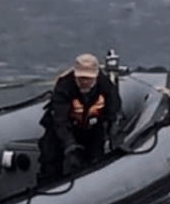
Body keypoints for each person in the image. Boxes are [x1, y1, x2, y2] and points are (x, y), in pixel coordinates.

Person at [37, 53, 122, 185]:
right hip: (64, 129)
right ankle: (47, 184)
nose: (84, 83)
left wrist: (111, 131)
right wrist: (70, 145)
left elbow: (113, 109)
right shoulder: (64, 86)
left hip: (92, 128)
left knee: (96, 157)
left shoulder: (106, 87)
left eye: (88, 79)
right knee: (50, 154)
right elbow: (60, 120)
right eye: (81, 78)